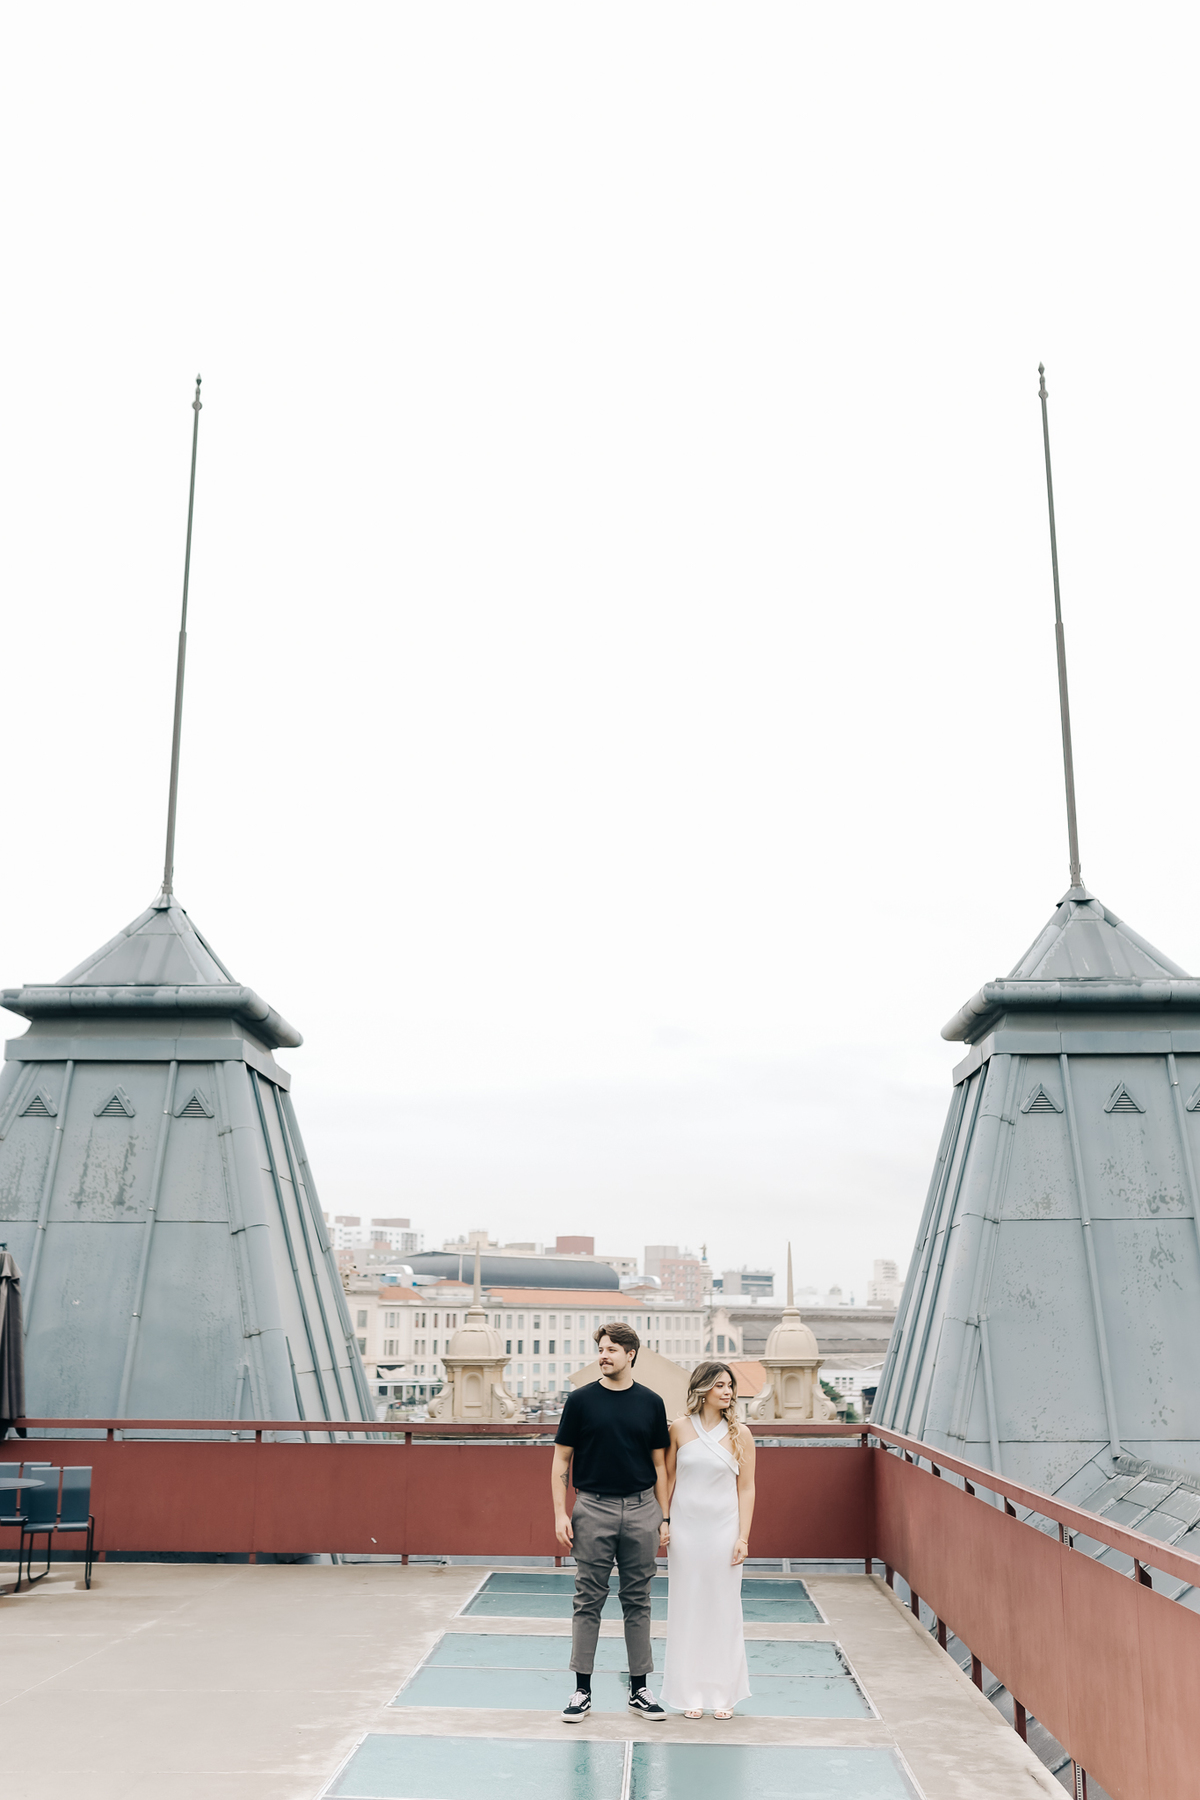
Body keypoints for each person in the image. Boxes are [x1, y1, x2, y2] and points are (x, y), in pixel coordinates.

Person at [551, 1321, 671, 1722]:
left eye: (612, 1350)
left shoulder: (652, 1403)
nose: (604, 1356)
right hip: (593, 1508)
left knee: (638, 1601)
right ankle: (581, 1691)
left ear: (631, 1354)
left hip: (642, 1510)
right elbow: (560, 1462)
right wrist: (559, 1513)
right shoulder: (581, 1401)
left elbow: (660, 1465)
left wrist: (664, 1515)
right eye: (601, 1349)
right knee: (588, 1600)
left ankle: (640, 1689)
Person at [660, 1361, 756, 1718]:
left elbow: (746, 1487)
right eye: (720, 1385)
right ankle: (689, 1693)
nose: (728, 1391)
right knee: (686, 1607)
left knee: (723, 1608)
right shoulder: (679, 1429)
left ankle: (724, 1693)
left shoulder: (741, 1434)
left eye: (730, 1385)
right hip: (685, 1531)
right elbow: (667, 1478)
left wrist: (743, 1537)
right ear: (702, 1389)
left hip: (724, 1531)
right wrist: (665, 1520)